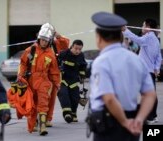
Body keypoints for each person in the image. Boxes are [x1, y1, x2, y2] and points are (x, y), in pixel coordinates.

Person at [88, 12, 156, 141]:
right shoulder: (136, 60)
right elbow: (150, 94)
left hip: (108, 124)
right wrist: (139, 119)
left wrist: (124, 122)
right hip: (133, 122)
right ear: (120, 36)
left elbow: (109, 99)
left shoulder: (101, 61)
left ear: (99, 37)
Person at [18, 26, 61, 135]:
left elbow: (54, 71)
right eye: (42, 40)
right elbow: (23, 63)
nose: (44, 42)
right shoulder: (31, 49)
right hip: (31, 80)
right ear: (39, 39)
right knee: (32, 104)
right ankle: (33, 123)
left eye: (46, 40)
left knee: (43, 102)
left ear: (49, 41)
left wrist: (57, 83)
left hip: (44, 80)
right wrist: (20, 76)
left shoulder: (51, 54)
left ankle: (42, 126)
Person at [122, 18, 162, 123]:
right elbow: (159, 57)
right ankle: (152, 116)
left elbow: (137, 40)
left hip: (146, 71)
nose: (142, 27)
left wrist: (125, 30)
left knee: (148, 94)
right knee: (149, 93)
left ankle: (150, 117)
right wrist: (156, 68)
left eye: (143, 25)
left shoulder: (149, 37)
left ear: (148, 27)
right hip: (149, 71)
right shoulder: (155, 39)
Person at [40, 23, 70, 127]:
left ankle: (48, 119)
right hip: (39, 75)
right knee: (38, 97)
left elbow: (66, 45)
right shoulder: (36, 46)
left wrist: (58, 36)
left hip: (54, 73)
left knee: (51, 97)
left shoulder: (56, 43)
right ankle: (35, 119)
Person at [57, 39, 87, 123]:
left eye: (80, 49)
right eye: (76, 48)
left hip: (73, 80)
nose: (78, 51)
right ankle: (67, 113)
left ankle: (73, 113)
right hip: (63, 80)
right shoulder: (64, 53)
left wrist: (82, 74)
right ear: (72, 46)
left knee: (75, 97)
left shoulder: (81, 56)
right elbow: (56, 63)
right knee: (64, 94)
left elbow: (83, 65)